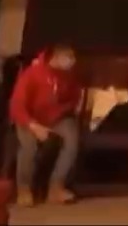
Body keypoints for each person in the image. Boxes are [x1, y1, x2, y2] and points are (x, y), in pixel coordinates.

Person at [9, 43, 83, 207]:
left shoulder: (69, 75)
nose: (73, 61)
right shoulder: (32, 74)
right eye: (69, 58)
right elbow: (17, 106)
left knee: (72, 139)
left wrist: (64, 111)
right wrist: (34, 126)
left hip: (56, 118)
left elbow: (75, 95)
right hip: (29, 118)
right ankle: (24, 188)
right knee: (29, 146)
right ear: (55, 58)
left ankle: (56, 186)